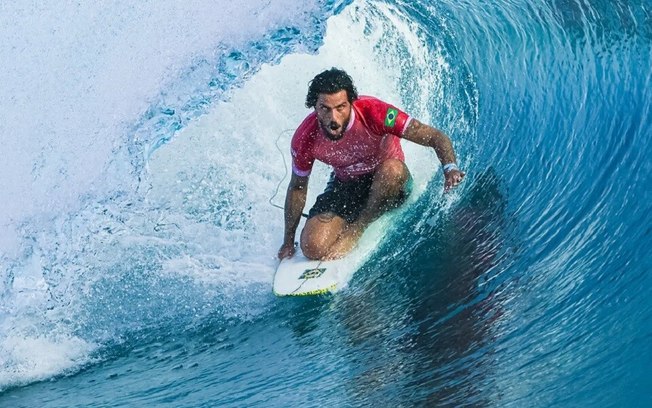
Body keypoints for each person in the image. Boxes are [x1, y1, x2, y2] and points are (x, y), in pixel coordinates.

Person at [277, 68, 465, 261]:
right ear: (314, 106)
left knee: (392, 169)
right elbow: (298, 187)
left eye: (341, 107)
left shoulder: (376, 113)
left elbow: (434, 136)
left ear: (351, 102)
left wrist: (450, 168)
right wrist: (288, 241)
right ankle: (342, 221)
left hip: (391, 182)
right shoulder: (305, 138)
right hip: (347, 185)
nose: (333, 118)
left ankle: (357, 228)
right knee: (312, 247)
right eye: (325, 108)